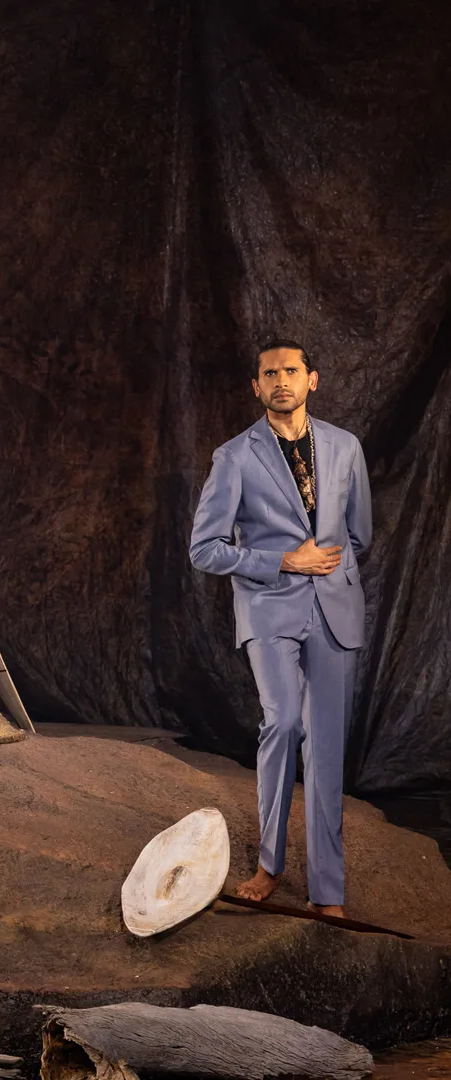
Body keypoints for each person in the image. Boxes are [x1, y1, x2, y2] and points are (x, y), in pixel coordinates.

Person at [189, 338, 372, 918]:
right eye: (270, 373)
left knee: (325, 746)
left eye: (291, 371)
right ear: (256, 386)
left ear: (311, 379)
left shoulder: (345, 447)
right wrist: (283, 561)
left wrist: (329, 566)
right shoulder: (235, 456)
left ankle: (328, 890)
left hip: (334, 609)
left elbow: (358, 533)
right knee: (283, 720)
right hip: (269, 610)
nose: (281, 381)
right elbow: (205, 549)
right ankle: (269, 863)